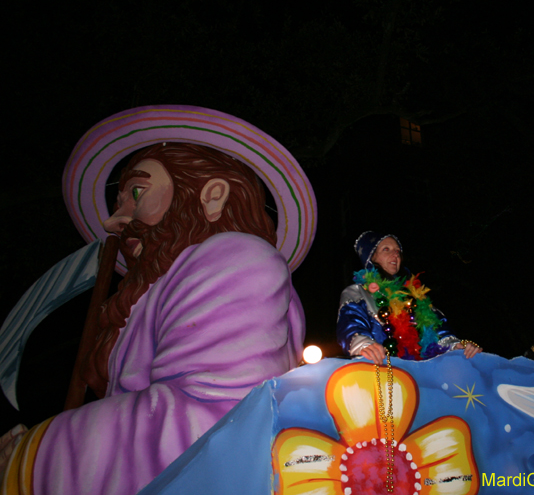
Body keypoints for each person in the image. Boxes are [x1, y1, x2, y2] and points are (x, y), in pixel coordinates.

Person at [1, 143, 306, 494]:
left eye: (136, 193)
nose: (113, 221)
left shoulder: (238, 258)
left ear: (212, 196)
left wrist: (37, 457)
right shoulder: (155, 295)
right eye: (119, 204)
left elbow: (212, 421)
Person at [336, 231, 482, 364]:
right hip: (381, 372)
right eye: (386, 249)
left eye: (398, 251)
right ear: (371, 257)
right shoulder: (357, 292)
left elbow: (439, 329)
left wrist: (456, 346)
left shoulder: (415, 297)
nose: (395, 255)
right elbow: (352, 325)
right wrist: (365, 346)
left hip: (422, 379)